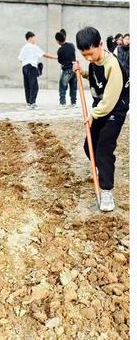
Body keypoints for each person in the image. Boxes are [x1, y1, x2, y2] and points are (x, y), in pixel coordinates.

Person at [73, 26, 129, 212]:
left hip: (115, 110)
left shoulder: (113, 65)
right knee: (88, 145)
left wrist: (92, 115)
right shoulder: (93, 62)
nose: (88, 58)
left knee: (104, 148)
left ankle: (106, 191)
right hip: (101, 107)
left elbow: (109, 100)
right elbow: (98, 79)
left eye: (90, 53)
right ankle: (102, 169)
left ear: (101, 45)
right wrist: (83, 72)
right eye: (84, 55)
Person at [18, 31, 57, 109]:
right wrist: (56, 57)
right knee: (34, 86)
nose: (35, 39)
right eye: (34, 38)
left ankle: (29, 103)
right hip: (31, 67)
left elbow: (20, 59)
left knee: (27, 86)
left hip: (24, 67)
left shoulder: (24, 47)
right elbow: (44, 54)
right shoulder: (33, 46)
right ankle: (32, 104)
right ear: (30, 38)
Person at [55, 30, 77, 108]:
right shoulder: (71, 45)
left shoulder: (60, 50)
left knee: (62, 87)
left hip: (66, 70)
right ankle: (73, 103)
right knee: (73, 88)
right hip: (74, 69)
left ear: (58, 41)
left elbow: (59, 61)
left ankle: (63, 103)